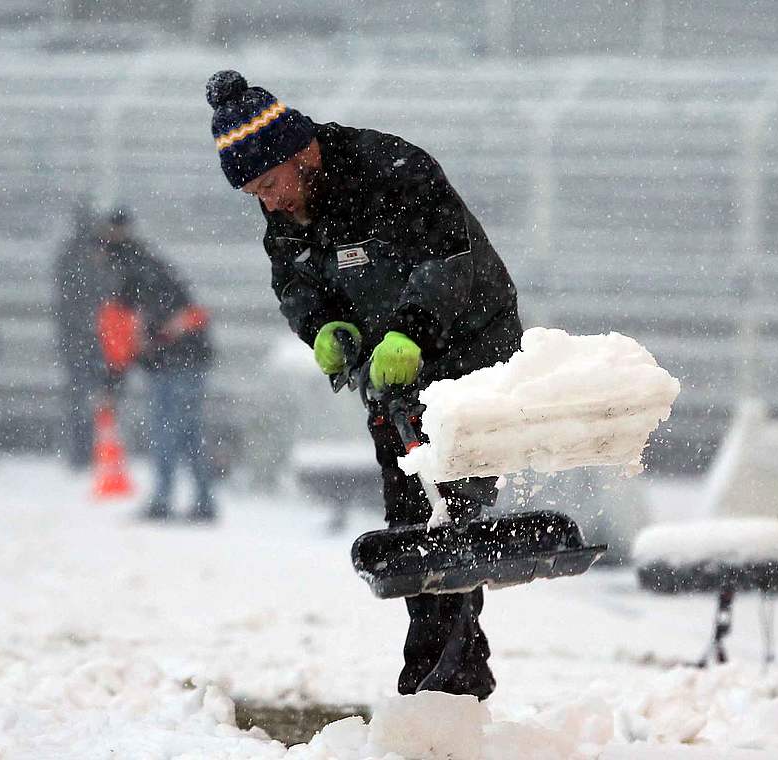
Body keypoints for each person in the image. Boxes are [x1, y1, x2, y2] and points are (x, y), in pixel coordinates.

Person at [204, 70, 522, 699]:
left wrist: (411, 330)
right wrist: (325, 327)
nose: (267, 203)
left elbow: (451, 260)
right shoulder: (287, 212)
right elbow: (296, 284)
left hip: (469, 348)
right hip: (389, 371)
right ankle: (444, 674)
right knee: (412, 516)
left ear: (300, 153)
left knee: (451, 511)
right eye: (253, 195)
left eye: (268, 184)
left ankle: (446, 680)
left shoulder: (392, 169)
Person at [99, 208, 218, 522]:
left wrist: (114, 381)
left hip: (175, 361)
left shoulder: (131, 275)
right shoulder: (145, 266)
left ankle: (164, 500)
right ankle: (203, 500)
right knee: (188, 432)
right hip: (187, 357)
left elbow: (125, 337)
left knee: (166, 430)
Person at [52, 201, 112, 470]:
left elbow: (64, 301)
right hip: (92, 337)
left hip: (79, 337)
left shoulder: (69, 256)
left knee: (80, 397)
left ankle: (83, 450)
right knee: (98, 395)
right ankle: (93, 448)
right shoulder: (94, 257)